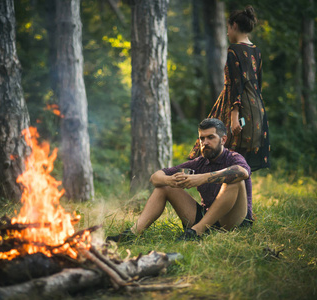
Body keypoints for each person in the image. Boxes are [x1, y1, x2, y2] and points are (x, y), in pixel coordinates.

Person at [107, 118, 253, 242]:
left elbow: (242, 172)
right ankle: (133, 234)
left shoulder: (233, 157)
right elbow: (155, 177)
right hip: (207, 219)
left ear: (223, 140)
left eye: (210, 137)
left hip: (233, 221)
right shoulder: (199, 162)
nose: (205, 142)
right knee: (164, 186)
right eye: (202, 138)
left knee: (234, 179)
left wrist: (202, 178)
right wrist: (170, 180)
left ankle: (197, 232)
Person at [189, 5, 270, 172]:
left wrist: (234, 116)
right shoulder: (257, 51)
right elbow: (258, 85)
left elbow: (236, 84)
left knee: (227, 154)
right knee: (242, 158)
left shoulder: (234, 51)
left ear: (234, 26)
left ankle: (229, 195)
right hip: (256, 109)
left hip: (238, 109)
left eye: (228, 28)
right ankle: (239, 196)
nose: (227, 33)